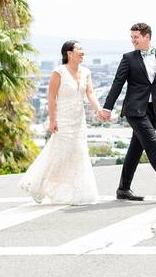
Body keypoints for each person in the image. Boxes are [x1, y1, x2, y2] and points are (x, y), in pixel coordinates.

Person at [102, 22, 156, 201]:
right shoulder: (128, 58)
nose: (133, 40)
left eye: (136, 37)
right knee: (152, 146)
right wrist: (107, 107)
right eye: (132, 37)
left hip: (154, 110)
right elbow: (117, 83)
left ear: (147, 37)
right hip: (135, 110)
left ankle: (123, 189)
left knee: (135, 149)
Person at [19, 40, 105, 205]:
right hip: (63, 120)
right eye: (79, 49)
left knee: (78, 153)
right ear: (69, 53)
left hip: (79, 121)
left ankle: (77, 192)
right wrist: (52, 120)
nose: (83, 52)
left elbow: (91, 94)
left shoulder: (86, 72)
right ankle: (39, 185)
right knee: (59, 154)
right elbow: (51, 97)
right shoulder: (58, 72)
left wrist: (99, 110)